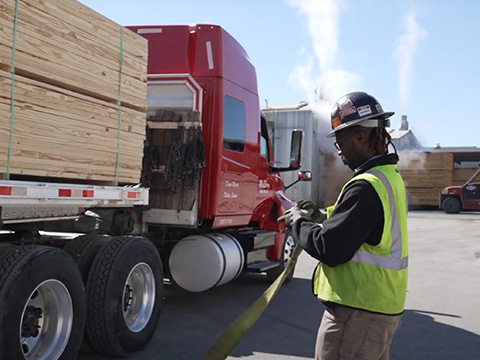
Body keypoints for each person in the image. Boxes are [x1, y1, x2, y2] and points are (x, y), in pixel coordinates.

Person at [279, 91, 408, 360]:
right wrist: (321, 216)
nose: (338, 152)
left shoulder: (365, 187)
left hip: (357, 314)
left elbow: (331, 248)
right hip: (378, 311)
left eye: (340, 142)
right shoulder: (387, 179)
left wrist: (299, 222)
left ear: (360, 136)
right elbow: (360, 224)